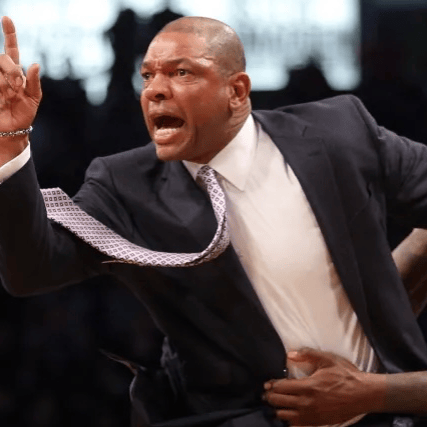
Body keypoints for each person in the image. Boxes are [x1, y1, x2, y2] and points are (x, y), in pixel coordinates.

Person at [0, 15, 426, 427]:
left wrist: (377, 384)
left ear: (236, 91)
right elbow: (32, 270)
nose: (155, 90)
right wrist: (11, 143)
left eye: (181, 73)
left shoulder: (339, 133)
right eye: (147, 76)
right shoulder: (125, 185)